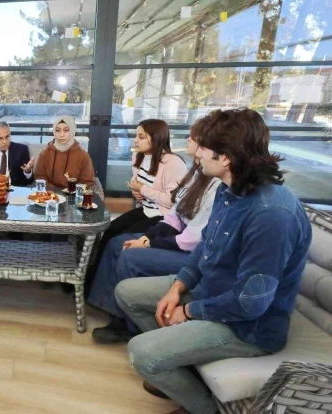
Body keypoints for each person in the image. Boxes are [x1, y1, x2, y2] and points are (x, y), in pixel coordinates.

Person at [114, 108, 312, 414]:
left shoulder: (271, 215)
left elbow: (250, 304)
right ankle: (183, 368)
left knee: (141, 353)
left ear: (226, 158)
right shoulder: (229, 190)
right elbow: (205, 246)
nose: (197, 153)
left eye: (203, 147)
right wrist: (177, 288)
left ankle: (206, 409)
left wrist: (188, 311)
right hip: (211, 293)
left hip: (247, 328)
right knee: (127, 292)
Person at [87, 115, 221, 344]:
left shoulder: (211, 182)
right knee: (113, 238)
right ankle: (104, 302)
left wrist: (149, 242)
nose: (188, 141)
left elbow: (190, 238)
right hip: (168, 225)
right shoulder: (197, 174)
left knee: (128, 253)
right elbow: (175, 215)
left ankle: (126, 323)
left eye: (194, 139)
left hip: (189, 250)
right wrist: (148, 237)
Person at [84, 119, 187, 293]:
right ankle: (90, 281)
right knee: (109, 230)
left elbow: (173, 201)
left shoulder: (173, 163)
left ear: (156, 138)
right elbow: (139, 187)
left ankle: (106, 289)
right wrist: (138, 193)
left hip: (163, 217)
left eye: (141, 137)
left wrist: (143, 190)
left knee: (118, 240)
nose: (135, 140)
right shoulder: (138, 157)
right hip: (145, 210)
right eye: (135, 135)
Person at [34, 115, 95, 189]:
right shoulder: (45, 153)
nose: (61, 135)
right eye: (57, 130)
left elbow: (87, 181)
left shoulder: (83, 155)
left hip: (73, 193)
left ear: (72, 131)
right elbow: (40, 177)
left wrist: (72, 190)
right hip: (50, 194)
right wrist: (54, 191)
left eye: (66, 130)